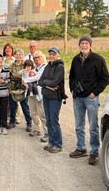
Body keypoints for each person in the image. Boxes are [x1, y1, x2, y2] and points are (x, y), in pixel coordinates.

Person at [69, 36, 109, 165]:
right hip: (78, 98)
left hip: (91, 98)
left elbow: (105, 78)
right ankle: (81, 148)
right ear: (79, 45)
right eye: (82, 43)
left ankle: (94, 152)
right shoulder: (76, 59)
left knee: (93, 127)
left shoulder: (98, 59)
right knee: (79, 125)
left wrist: (95, 92)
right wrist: (72, 89)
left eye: (86, 43)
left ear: (90, 45)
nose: (84, 45)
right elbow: (71, 76)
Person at [38, 47, 65, 153]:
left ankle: (58, 144)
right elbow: (40, 81)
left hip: (55, 98)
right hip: (46, 96)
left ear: (58, 55)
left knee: (54, 121)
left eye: (54, 54)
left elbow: (55, 82)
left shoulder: (60, 67)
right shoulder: (47, 66)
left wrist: (46, 83)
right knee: (48, 121)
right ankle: (51, 142)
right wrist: (48, 86)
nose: (52, 56)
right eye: (50, 54)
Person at [23, 51, 48, 142]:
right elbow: (23, 75)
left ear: (42, 58)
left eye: (38, 57)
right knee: (33, 113)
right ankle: (37, 129)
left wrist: (25, 80)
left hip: (38, 94)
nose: (37, 59)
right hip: (30, 93)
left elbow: (37, 77)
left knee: (42, 114)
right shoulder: (33, 68)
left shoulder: (44, 67)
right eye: (35, 58)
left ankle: (47, 132)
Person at [8, 49, 32, 131]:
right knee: (12, 107)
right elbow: (9, 77)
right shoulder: (11, 65)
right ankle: (12, 121)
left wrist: (27, 86)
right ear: (14, 55)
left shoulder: (26, 64)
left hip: (23, 88)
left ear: (22, 55)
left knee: (25, 107)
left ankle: (29, 123)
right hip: (13, 88)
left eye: (20, 54)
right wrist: (9, 89)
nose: (18, 56)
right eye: (16, 54)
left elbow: (30, 74)